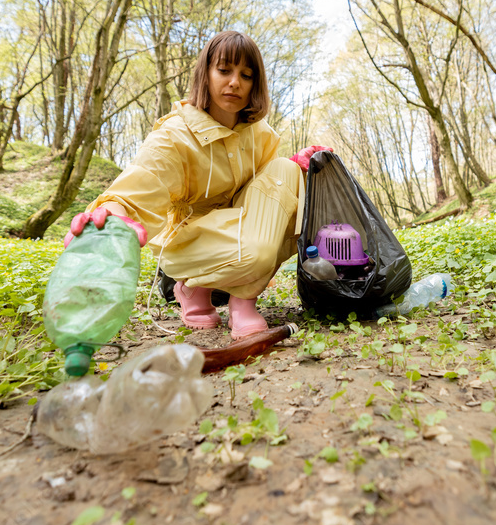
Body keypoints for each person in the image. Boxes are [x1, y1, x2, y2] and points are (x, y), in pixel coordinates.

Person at [65, 31, 330, 339]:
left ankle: (242, 302)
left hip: (239, 229)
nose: (235, 83)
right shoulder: (174, 136)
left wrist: (296, 166)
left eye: (246, 75)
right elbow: (139, 185)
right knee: (256, 250)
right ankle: (193, 286)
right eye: (224, 70)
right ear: (205, 73)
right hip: (188, 240)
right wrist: (111, 213)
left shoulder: (261, 135)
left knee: (287, 173)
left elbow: (266, 191)